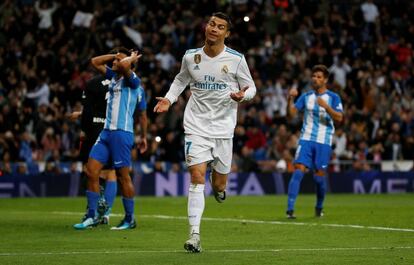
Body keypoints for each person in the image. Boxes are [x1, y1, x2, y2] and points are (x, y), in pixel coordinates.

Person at [154, 12, 256, 253]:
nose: (214, 29)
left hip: (223, 129)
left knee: (218, 184)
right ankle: (194, 235)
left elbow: (251, 86)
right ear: (206, 27)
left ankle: (219, 188)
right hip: (196, 126)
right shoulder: (191, 57)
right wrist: (169, 99)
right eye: (211, 24)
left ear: (226, 34)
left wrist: (244, 95)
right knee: (197, 177)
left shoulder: (236, 59)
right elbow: (180, 80)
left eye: (220, 27)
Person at [73, 47, 147, 230]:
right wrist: (116, 55)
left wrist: (127, 58)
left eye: (116, 61)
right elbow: (94, 61)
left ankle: (130, 219)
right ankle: (93, 215)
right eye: (114, 60)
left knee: (122, 176)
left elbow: (143, 114)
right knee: (91, 171)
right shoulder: (114, 77)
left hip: (122, 133)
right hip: (106, 132)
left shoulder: (133, 82)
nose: (113, 63)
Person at [285, 64, 344, 219]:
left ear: (325, 80)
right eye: (314, 76)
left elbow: (339, 118)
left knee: (319, 178)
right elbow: (291, 115)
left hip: (324, 142)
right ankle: (290, 210)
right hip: (306, 140)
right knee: (298, 171)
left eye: (319, 77)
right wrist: (290, 99)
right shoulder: (306, 96)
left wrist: (326, 107)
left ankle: (319, 207)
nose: (315, 79)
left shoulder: (333, 97)